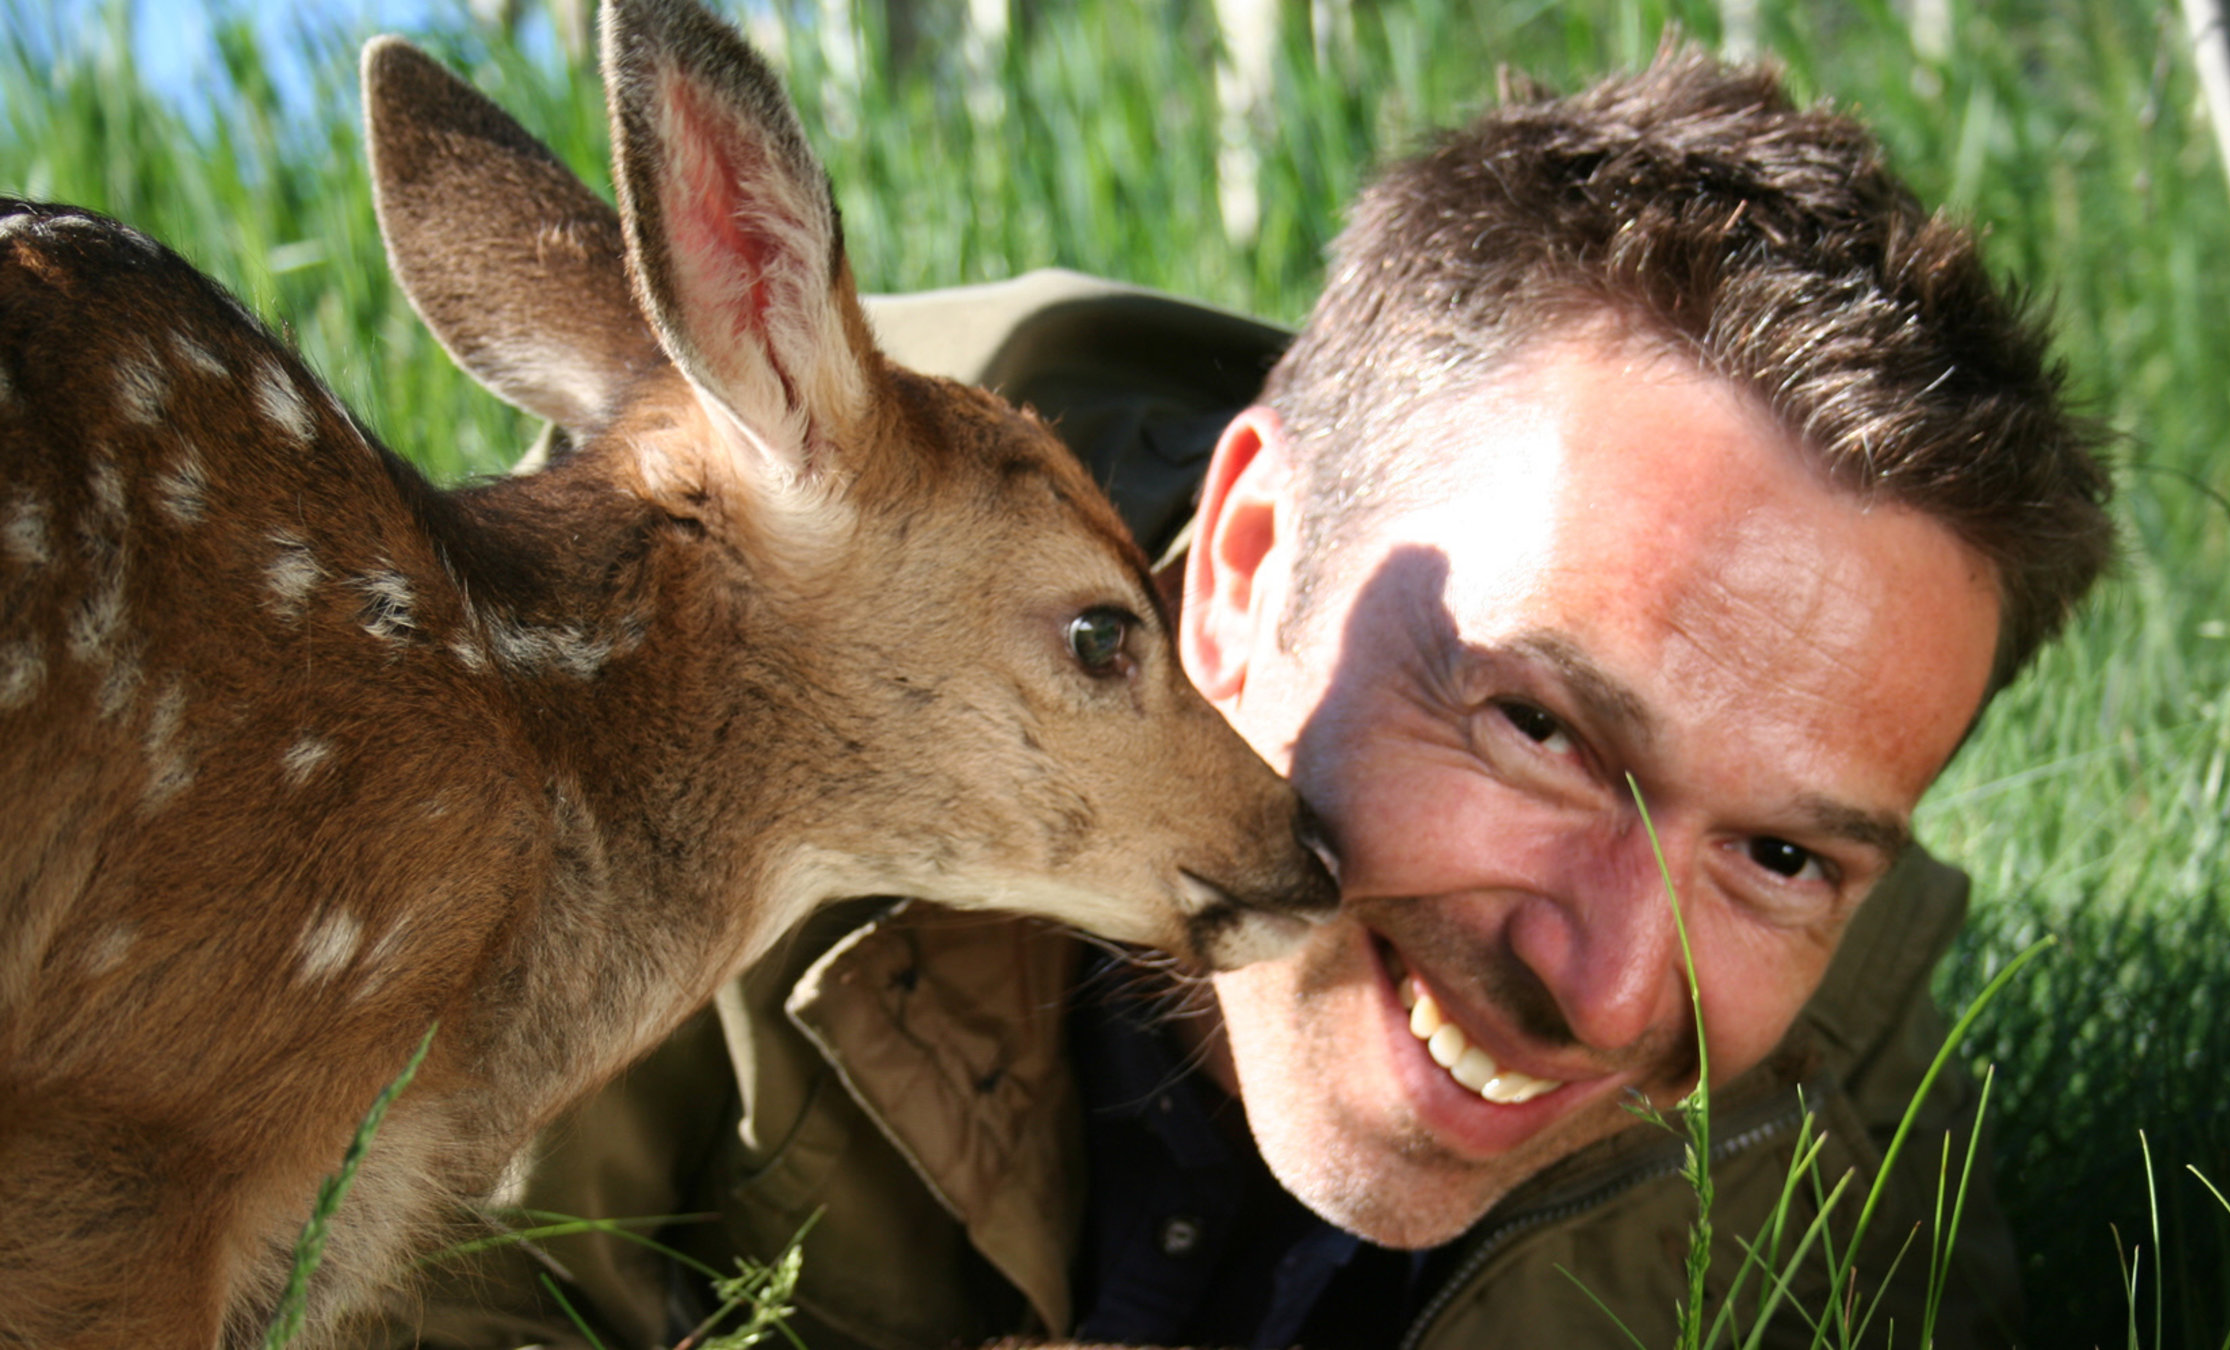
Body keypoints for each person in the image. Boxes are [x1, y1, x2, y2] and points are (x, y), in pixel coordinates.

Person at [387, 48, 2110, 1350]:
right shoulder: (725, 655)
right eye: (1542, 731)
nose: (1607, 986)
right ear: (1242, 565)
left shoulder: (1844, 1122)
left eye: (1784, 858)